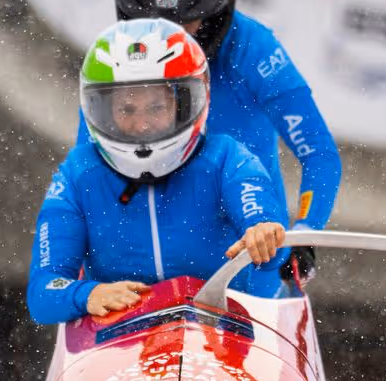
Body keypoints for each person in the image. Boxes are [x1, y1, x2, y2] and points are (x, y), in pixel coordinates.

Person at [75, 0, 342, 294]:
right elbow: (86, 171)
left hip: (245, 276)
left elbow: (318, 151)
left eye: (186, 22)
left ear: (217, 7)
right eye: (158, 26)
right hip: (138, 282)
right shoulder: (114, 64)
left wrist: (306, 231)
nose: (173, 39)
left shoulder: (254, 50)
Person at [29, 18, 288, 325]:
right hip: (121, 349)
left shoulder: (226, 158)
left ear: (185, 104)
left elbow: (263, 220)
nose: (142, 126)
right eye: (127, 110)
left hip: (223, 339)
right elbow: (44, 292)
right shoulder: (77, 175)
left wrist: (262, 230)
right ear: (102, 110)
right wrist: (87, 294)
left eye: (156, 108)